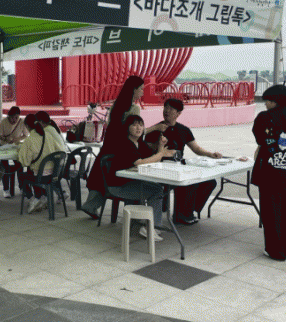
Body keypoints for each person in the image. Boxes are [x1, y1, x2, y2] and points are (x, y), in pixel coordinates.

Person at [252, 85, 286, 261]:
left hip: (271, 173)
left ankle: (276, 250)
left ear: (274, 101)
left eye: (267, 101)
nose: (265, 104)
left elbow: (260, 139)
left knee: (271, 212)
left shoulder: (264, 117)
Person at [147, 98, 222, 224]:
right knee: (190, 181)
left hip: (179, 166)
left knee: (210, 182)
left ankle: (187, 211)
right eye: (165, 107)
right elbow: (146, 150)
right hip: (160, 168)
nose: (166, 111)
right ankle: (183, 214)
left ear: (178, 113)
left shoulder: (184, 130)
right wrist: (158, 146)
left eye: (171, 108)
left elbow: (196, 148)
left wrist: (211, 154)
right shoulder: (155, 129)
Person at [81, 75, 145, 218]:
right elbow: (133, 131)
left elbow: (109, 125)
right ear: (134, 89)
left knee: (101, 175)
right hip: (122, 148)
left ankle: (91, 205)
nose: (142, 92)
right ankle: (134, 213)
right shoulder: (134, 108)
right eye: (141, 89)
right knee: (121, 178)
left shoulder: (116, 105)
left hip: (109, 145)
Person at [107, 115, 177, 240]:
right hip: (118, 185)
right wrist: (161, 153)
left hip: (131, 181)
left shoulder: (140, 143)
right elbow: (140, 162)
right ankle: (150, 228)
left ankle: (150, 224)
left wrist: (161, 146)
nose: (138, 128)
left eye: (140, 125)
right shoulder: (125, 143)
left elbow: (153, 159)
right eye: (134, 125)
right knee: (156, 191)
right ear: (127, 128)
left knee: (157, 188)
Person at [18, 114, 66, 213]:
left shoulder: (29, 140)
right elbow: (59, 151)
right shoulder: (48, 135)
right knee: (35, 170)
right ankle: (42, 197)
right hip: (54, 174)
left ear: (27, 126)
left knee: (23, 174)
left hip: (41, 176)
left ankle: (34, 199)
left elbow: (25, 162)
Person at [0, 106, 29, 198]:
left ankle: (22, 187)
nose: (14, 120)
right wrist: (5, 139)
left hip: (16, 147)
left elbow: (25, 135)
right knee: (5, 167)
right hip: (4, 147)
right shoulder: (4, 122)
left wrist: (17, 139)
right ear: (9, 116)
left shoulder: (21, 122)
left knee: (20, 166)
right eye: (12, 118)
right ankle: (6, 189)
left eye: (16, 118)